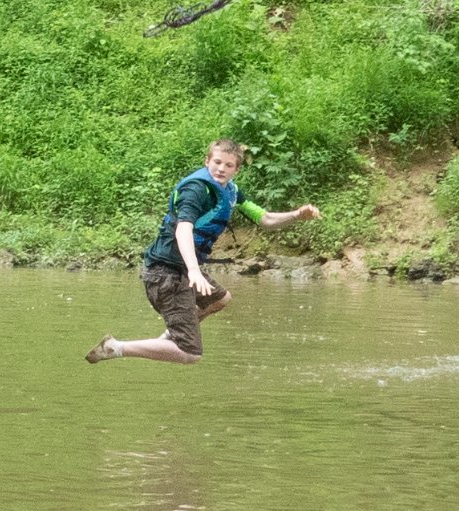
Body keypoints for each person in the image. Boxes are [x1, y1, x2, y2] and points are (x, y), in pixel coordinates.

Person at [86, 140, 321, 364]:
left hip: (181, 270)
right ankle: (116, 348)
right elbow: (184, 229)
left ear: (236, 170)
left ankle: (170, 337)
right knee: (190, 354)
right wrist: (194, 271)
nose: (221, 169)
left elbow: (265, 218)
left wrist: (297, 215)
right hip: (166, 273)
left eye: (229, 165)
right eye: (217, 162)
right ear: (207, 160)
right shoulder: (196, 189)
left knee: (220, 299)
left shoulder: (231, 191)